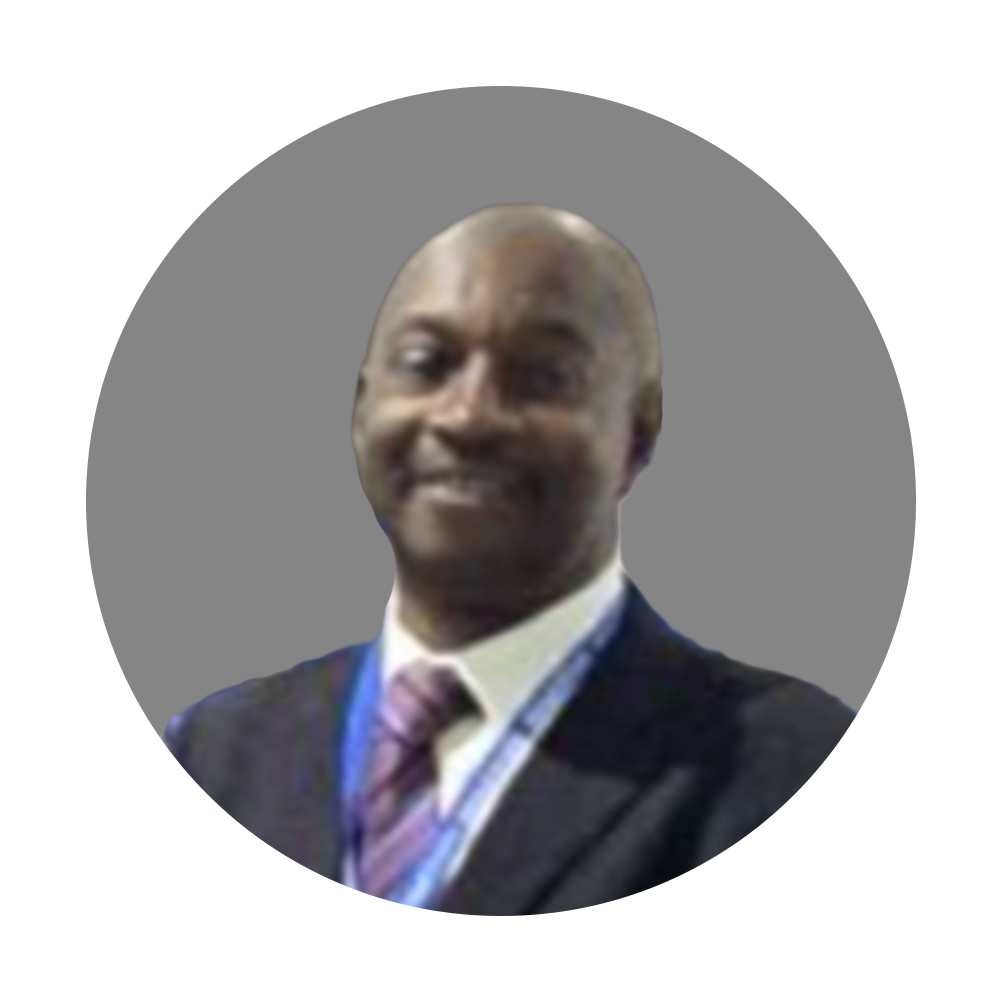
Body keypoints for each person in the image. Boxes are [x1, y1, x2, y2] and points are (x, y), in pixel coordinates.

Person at [161, 204, 856, 926]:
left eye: (543, 376)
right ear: (360, 408)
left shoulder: (789, 764)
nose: (467, 416)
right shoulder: (221, 752)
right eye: (427, 365)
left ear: (638, 433)